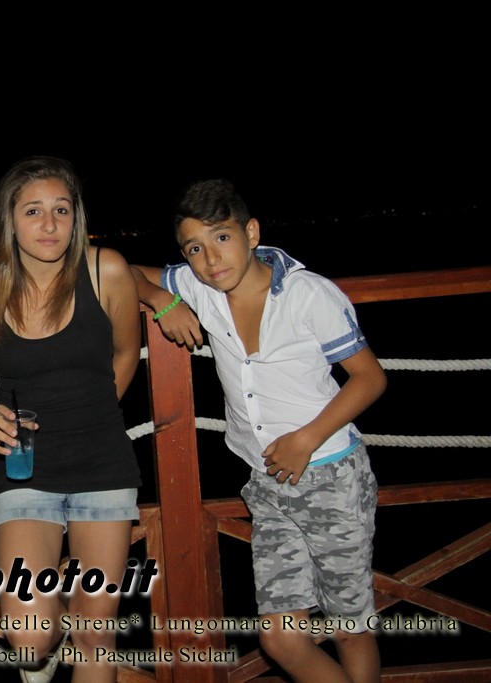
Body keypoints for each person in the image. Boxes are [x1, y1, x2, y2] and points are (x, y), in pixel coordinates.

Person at [131, 179, 386, 683]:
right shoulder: (199, 288)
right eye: (194, 248)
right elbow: (114, 268)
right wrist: (162, 300)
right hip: (266, 483)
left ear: (251, 232)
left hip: (331, 475)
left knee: (350, 628)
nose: (211, 259)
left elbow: (370, 378)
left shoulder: (307, 294)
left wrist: (305, 439)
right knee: (280, 638)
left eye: (222, 238)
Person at [0, 156, 142, 683]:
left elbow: (126, 353)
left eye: (61, 210)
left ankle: (80, 622)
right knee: (28, 637)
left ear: (76, 217)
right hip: (23, 473)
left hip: (103, 467)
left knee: (96, 633)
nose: (49, 224)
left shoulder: (106, 270)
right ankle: (56, 622)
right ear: (9, 220)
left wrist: (96, 411)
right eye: (33, 211)